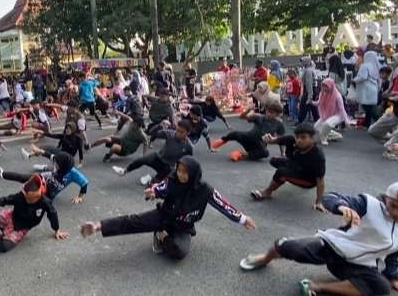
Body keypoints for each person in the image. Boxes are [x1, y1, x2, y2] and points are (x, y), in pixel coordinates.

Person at [239, 182, 398, 296]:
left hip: (359, 264)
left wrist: (393, 277)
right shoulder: (370, 204)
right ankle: (265, 258)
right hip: (332, 246)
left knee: (381, 288)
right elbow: (330, 197)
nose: (396, 212)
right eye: (393, 205)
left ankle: (316, 287)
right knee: (288, 247)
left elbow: (394, 255)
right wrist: (342, 206)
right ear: (386, 199)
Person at [81, 157, 256, 261]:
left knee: (180, 252)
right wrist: (152, 192)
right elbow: (160, 188)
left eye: (185, 172)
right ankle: (99, 227)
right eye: (179, 170)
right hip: (164, 216)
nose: (180, 174)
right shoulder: (172, 180)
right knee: (133, 221)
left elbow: (223, 205)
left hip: (184, 225)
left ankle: (162, 236)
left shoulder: (206, 190)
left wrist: (242, 219)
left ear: (194, 173)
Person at [249, 124, 326, 211]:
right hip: (296, 166)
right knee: (274, 161)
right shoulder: (291, 140)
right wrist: (267, 139)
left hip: (308, 180)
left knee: (281, 172)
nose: (299, 140)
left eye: (303, 137)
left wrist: (318, 202)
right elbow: (273, 140)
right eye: (297, 137)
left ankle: (267, 192)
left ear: (312, 139)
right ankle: (287, 174)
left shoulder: (318, 156)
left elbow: (320, 180)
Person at [112, 120, 193, 186]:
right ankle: (124, 171)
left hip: (168, 166)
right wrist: (159, 126)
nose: (178, 134)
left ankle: (152, 179)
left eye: (181, 132)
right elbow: (151, 132)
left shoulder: (188, 146)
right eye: (177, 130)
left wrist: (180, 173)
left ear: (188, 133)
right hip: (157, 157)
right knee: (141, 160)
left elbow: (188, 162)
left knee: (154, 184)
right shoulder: (170, 134)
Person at [0, 151, 88, 204]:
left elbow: (84, 183)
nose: (55, 165)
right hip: (45, 178)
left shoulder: (74, 173)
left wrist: (79, 197)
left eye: (57, 164)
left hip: (48, 193)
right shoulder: (60, 162)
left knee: (25, 198)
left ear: (64, 165)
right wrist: (40, 151)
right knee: (23, 177)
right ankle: (1, 174)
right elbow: (49, 155)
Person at [215, 103, 285, 162]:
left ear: (277, 114)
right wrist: (248, 110)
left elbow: (281, 140)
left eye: (272, 113)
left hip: (259, 144)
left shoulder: (279, 124)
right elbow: (242, 117)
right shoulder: (259, 117)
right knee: (235, 134)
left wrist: (282, 154)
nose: (269, 114)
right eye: (268, 111)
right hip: (249, 137)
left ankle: (241, 154)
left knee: (265, 153)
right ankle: (221, 141)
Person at [313, 79, 349, 146]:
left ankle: (324, 139)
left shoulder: (338, 96)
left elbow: (342, 109)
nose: (324, 88)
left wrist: (347, 122)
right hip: (327, 114)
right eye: (323, 86)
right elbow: (319, 102)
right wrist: (311, 102)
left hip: (338, 115)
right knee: (316, 127)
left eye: (326, 86)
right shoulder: (323, 93)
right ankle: (335, 135)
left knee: (327, 124)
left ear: (331, 86)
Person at [353, 50, 381, 127]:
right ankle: (368, 122)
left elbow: (363, 77)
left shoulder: (365, 66)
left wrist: (354, 80)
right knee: (370, 107)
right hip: (373, 89)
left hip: (366, 89)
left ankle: (377, 121)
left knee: (367, 107)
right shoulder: (376, 65)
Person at [298, 58, 320, 123]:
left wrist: (309, 96)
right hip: (310, 90)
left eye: (302, 62)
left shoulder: (308, 71)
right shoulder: (308, 69)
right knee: (312, 107)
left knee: (304, 106)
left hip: (309, 90)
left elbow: (309, 83)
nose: (301, 63)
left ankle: (300, 121)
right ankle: (317, 120)